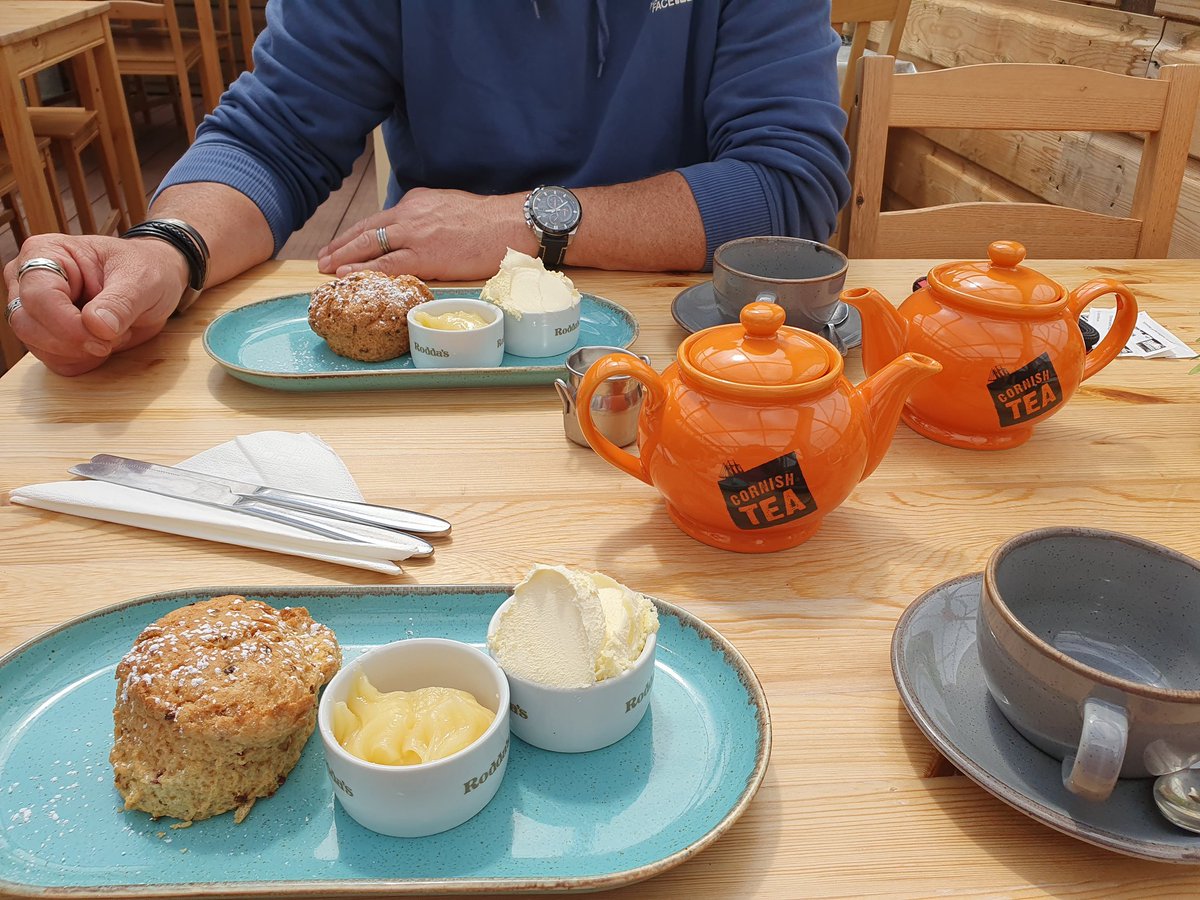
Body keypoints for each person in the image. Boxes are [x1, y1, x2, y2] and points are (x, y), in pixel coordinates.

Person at [4, 1, 851, 376]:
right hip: (441, 355)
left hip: (689, 361)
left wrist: (522, 224)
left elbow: (791, 185)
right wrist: (169, 248)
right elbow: (274, 136)